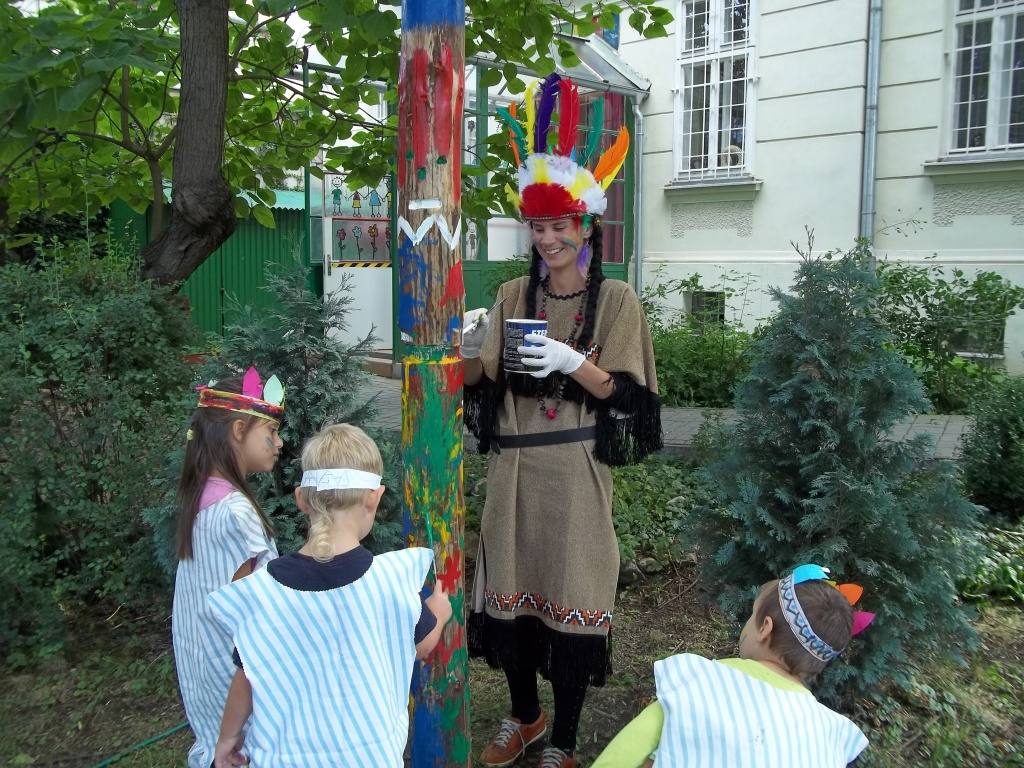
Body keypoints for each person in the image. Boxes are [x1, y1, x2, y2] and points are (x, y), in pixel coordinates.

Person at [463, 74, 663, 768]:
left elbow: (628, 399)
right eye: (539, 227)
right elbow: (479, 385)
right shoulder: (512, 293)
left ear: (585, 229)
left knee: (572, 592)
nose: (548, 239)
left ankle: (567, 741)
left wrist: (570, 360)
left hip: (576, 472)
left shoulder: (617, 301)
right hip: (513, 467)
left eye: (560, 227)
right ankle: (525, 717)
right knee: (510, 595)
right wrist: (464, 347)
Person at [209, 423, 452, 768]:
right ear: (374, 497)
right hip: (370, 758)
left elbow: (248, 675)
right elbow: (422, 645)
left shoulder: (263, 592)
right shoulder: (390, 582)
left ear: (300, 499)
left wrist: (227, 738)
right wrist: (439, 612)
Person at [591, 564, 875, 767]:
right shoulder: (830, 735)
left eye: (752, 615)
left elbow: (621, 755)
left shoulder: (698, 681)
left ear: (765, 628)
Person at [172, 366, 286, 768]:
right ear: (239, 430)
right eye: (270, 431)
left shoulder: (202, 495)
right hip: (238, 692)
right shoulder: (237, 515)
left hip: (206, 680)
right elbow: (256, 619)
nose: (279, 442)